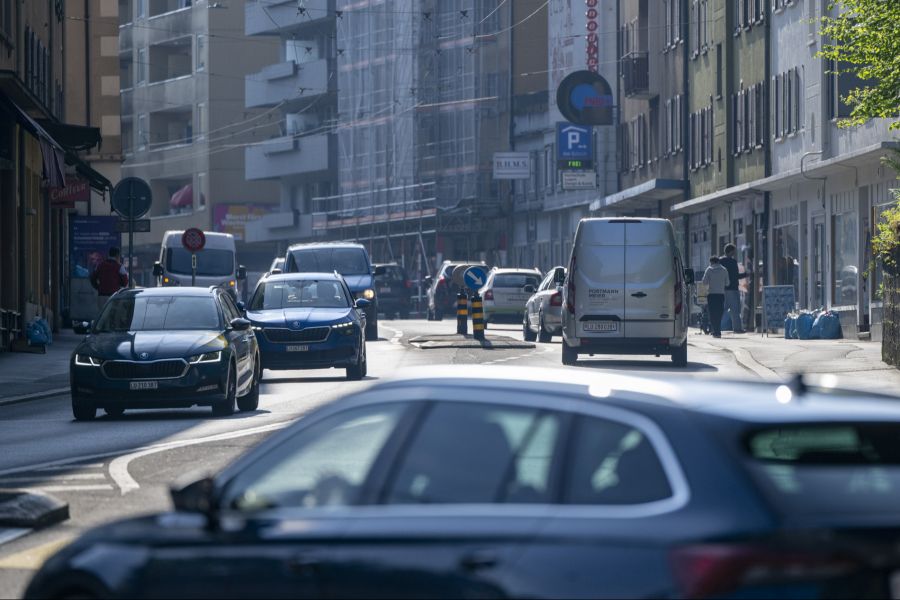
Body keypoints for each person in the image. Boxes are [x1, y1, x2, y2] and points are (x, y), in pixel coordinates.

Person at [90, 247, 129, 314]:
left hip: (101, 296)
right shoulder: (119, 266)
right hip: (114, 297)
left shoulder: (100, 265)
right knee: (113, 316)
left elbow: (92, 278)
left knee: (103, 316)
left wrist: (98, 287)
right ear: (117, 255)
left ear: (109, 254)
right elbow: (125, 282)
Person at [720, 243, 748, 334]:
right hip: (732, 288)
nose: (735, 253)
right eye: (734, 251)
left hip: (722, 289)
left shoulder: (720, 261)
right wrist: (746, 274)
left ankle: (715, 328)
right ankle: (737, 328)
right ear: (731, 251)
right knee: (735, 310)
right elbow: (735, 276)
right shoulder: (732, 262)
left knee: (721, 309)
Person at [702, 256, 730, 338]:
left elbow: (704, 282)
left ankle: (715, 331)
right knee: (719, 313)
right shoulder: (724, 270)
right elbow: (727, 283)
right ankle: (718, 330)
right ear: (718, 261)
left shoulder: (709, 269)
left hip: (711, 295)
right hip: (721, 295)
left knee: (712, 313)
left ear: (711, 262)